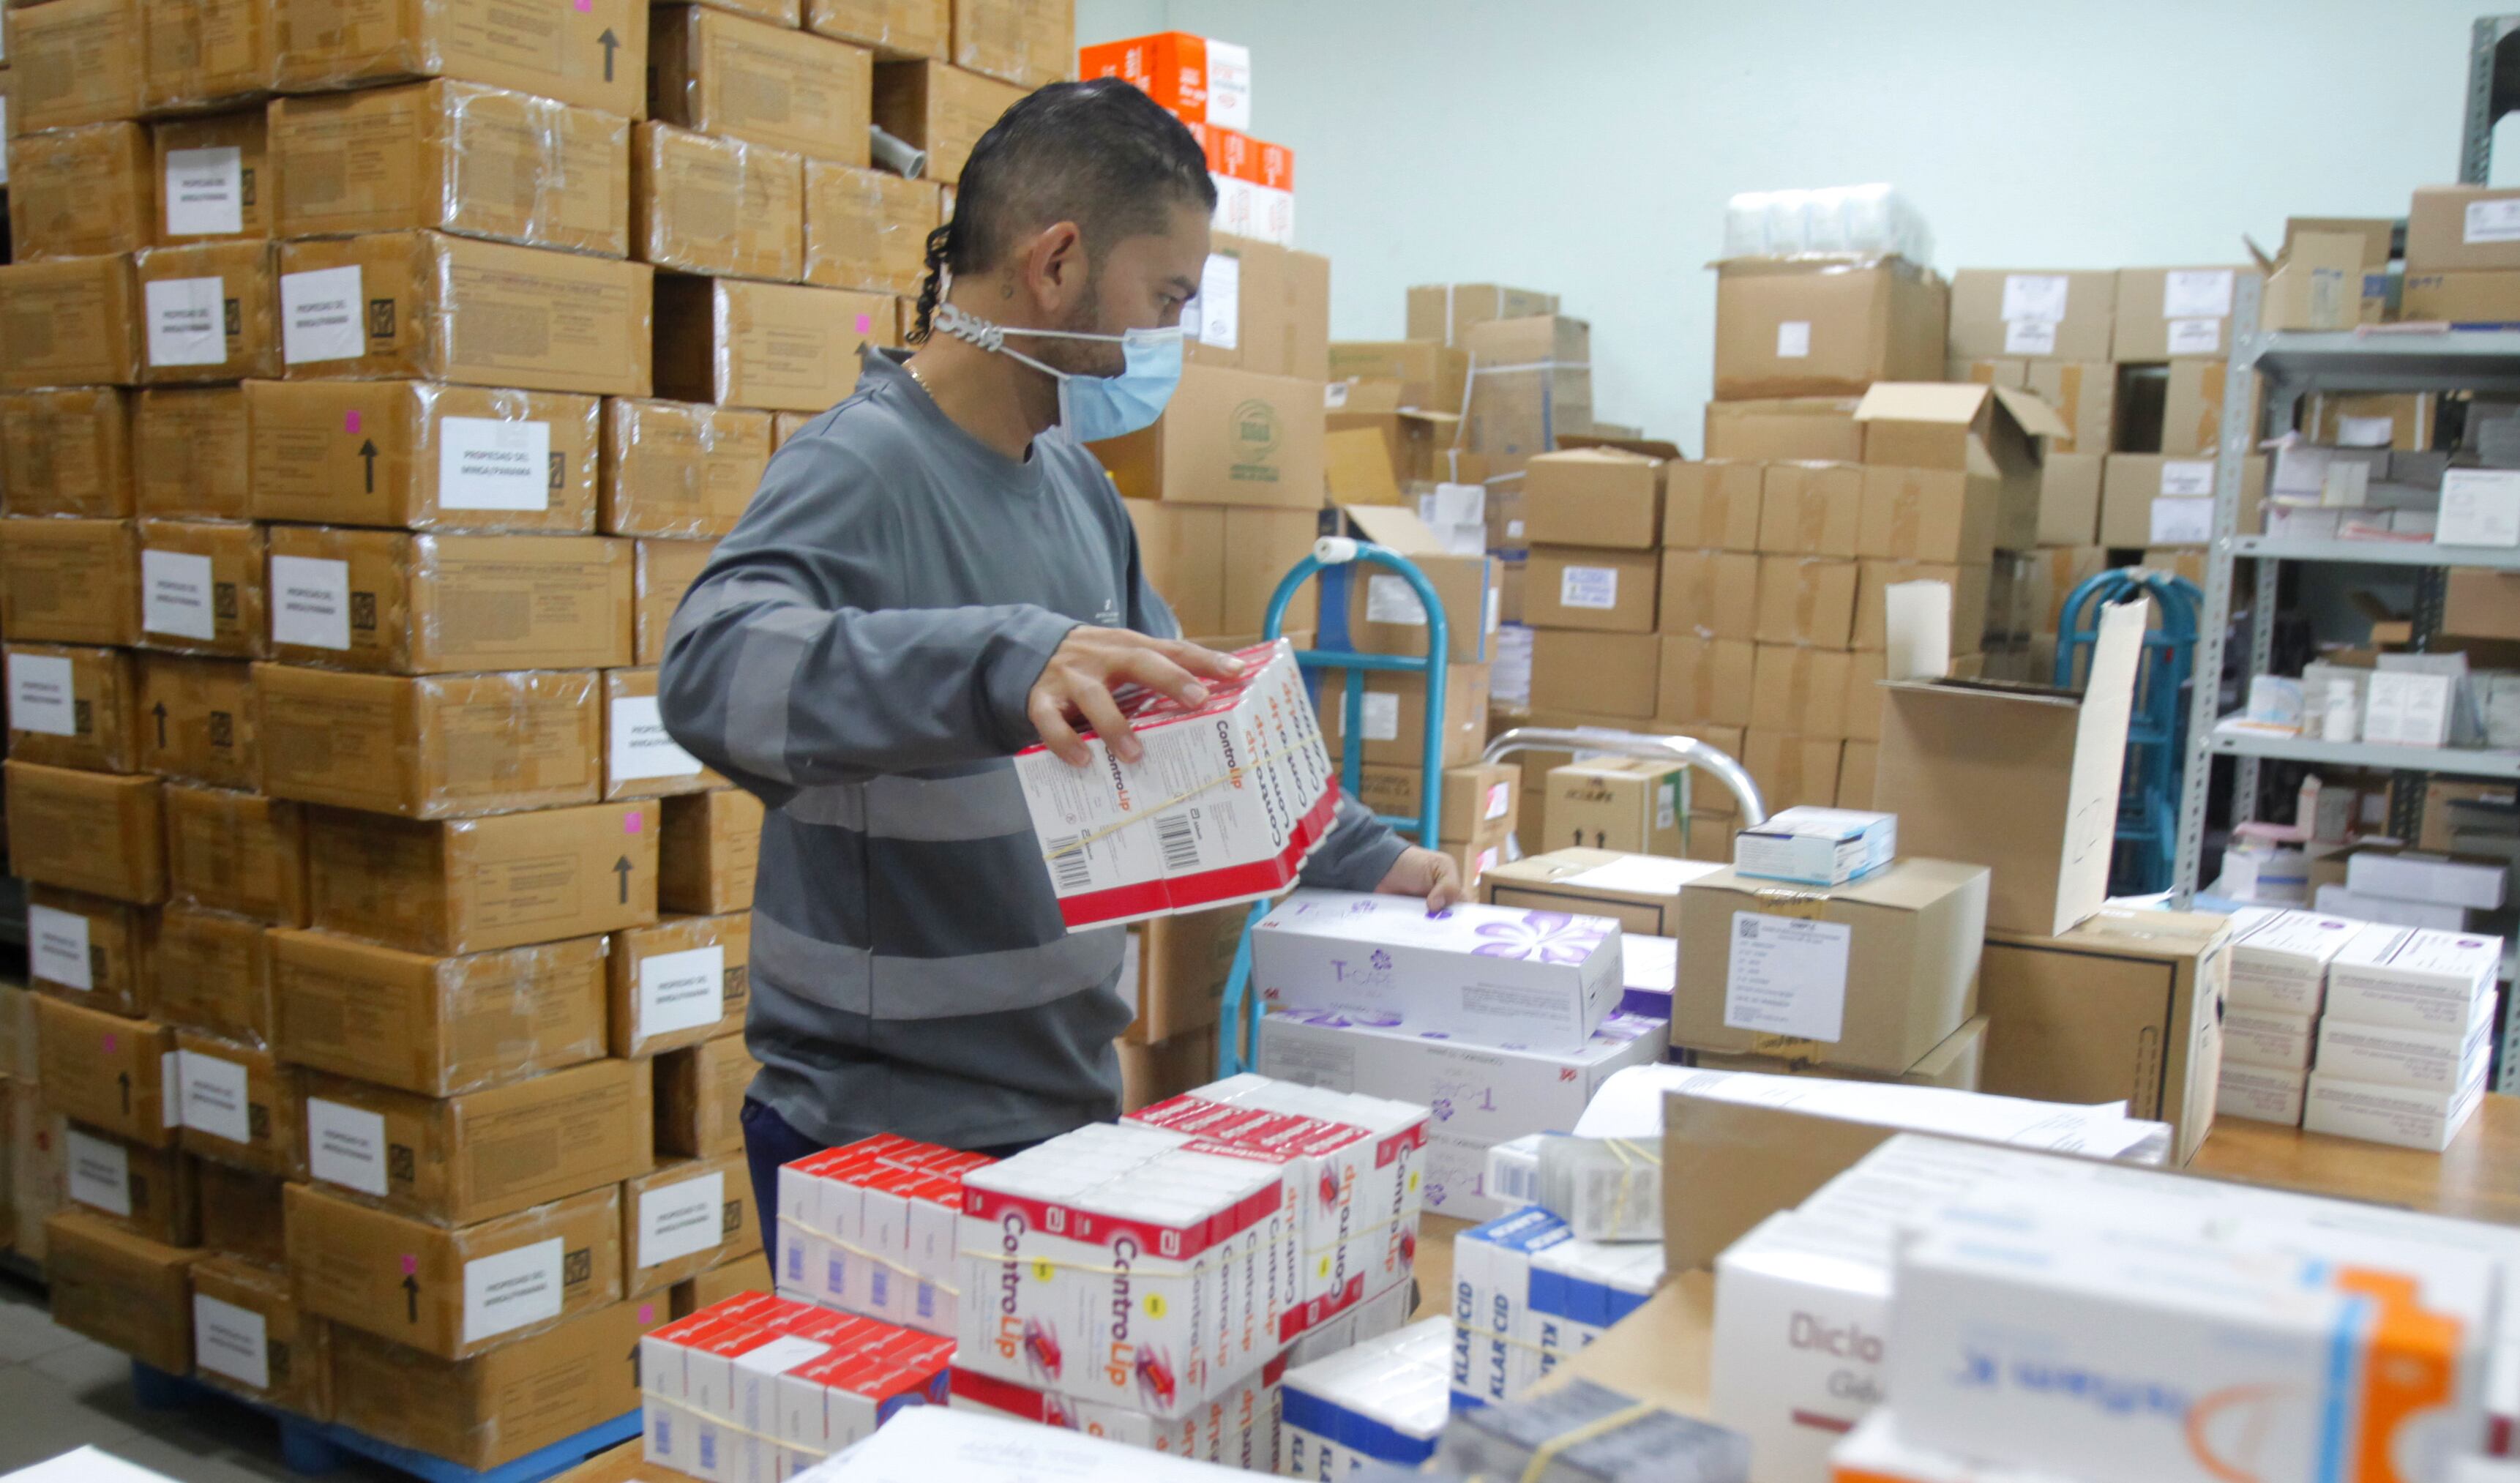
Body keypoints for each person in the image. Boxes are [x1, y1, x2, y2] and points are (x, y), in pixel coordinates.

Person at [657, 78, 1463, 1269]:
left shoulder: (1074, 485)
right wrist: (1002, 655)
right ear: (1057, 263)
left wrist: (1368, 853)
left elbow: (1197, 718)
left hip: (1063, 1112)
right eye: (1166, 298)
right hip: (886, 1136)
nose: (1169, 338)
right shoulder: (864, 466)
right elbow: (709, 665)